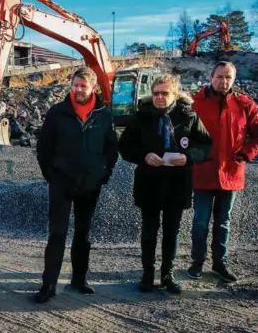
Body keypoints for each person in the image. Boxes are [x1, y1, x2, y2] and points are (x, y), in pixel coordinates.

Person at [119, 74, 212, 294]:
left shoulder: (188, 116)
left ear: (175, 94)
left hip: (177, 183)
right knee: (149, 231)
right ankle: (147, 275)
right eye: (156, 93)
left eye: (165, 93)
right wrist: (144, 156)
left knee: (172, 231)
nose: (159, 97)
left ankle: (167, 275)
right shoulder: (141, 117)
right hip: (149, 181)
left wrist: (188, 157)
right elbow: (124, 146)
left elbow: (206, 144)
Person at [35, 66, 118, 303]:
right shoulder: (57, 112)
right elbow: (43, 148)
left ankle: (79, 279)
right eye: (75, 85)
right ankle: (48, 284)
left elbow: (111, 149)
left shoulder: (104, 114)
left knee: (84, 234)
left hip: (90, 184)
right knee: (57, 234)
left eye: (83, 86)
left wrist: (104, 174)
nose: (78, 90)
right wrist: (51, 175)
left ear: (93, 88)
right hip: (61, 182)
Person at [188, 61, 258, 282]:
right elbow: (183, 136)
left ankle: (220, 263)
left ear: (233, 79)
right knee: (200, 221)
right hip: (203, 172)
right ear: (211, 77)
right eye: (220, 76)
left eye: (228, 77)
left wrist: (246, 154)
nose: (223, 81)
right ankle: (196, 263)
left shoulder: (245, 105)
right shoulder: (195, 104)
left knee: (223, 221)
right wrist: (193, 156)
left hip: (230, 172)